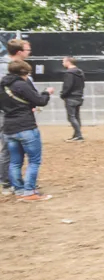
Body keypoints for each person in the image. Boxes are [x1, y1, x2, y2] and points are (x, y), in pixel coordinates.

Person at [1, 58, 53, 202]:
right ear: (24, 72)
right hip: (26, 126)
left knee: (15, 161)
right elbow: (40, 101)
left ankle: (19, 190)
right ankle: (29, 192)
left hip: (9, 128)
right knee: (34, 161)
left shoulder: (2, 85)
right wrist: (47, 93)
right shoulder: (21, 85)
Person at [0, 38, 31, 197]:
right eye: (27, 50)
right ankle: (6, 182)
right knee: (8, 148)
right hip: (7, 113)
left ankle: (16, 181)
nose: (29, 53)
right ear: (19, 52)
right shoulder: (4, 67)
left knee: (18, 149)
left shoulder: (19, 66)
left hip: (19, 113)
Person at [60, 56, 85, 142]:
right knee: (76, 117)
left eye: (63, 61)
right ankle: (76, 135)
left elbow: (67, 86)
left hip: (70, 97)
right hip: (79, 96)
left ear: (68, 62)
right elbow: (83, 85)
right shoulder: (80, 72)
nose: (62, 63)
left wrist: (63, 94)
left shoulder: (69, 73)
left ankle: (79, 136)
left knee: (71, 117)